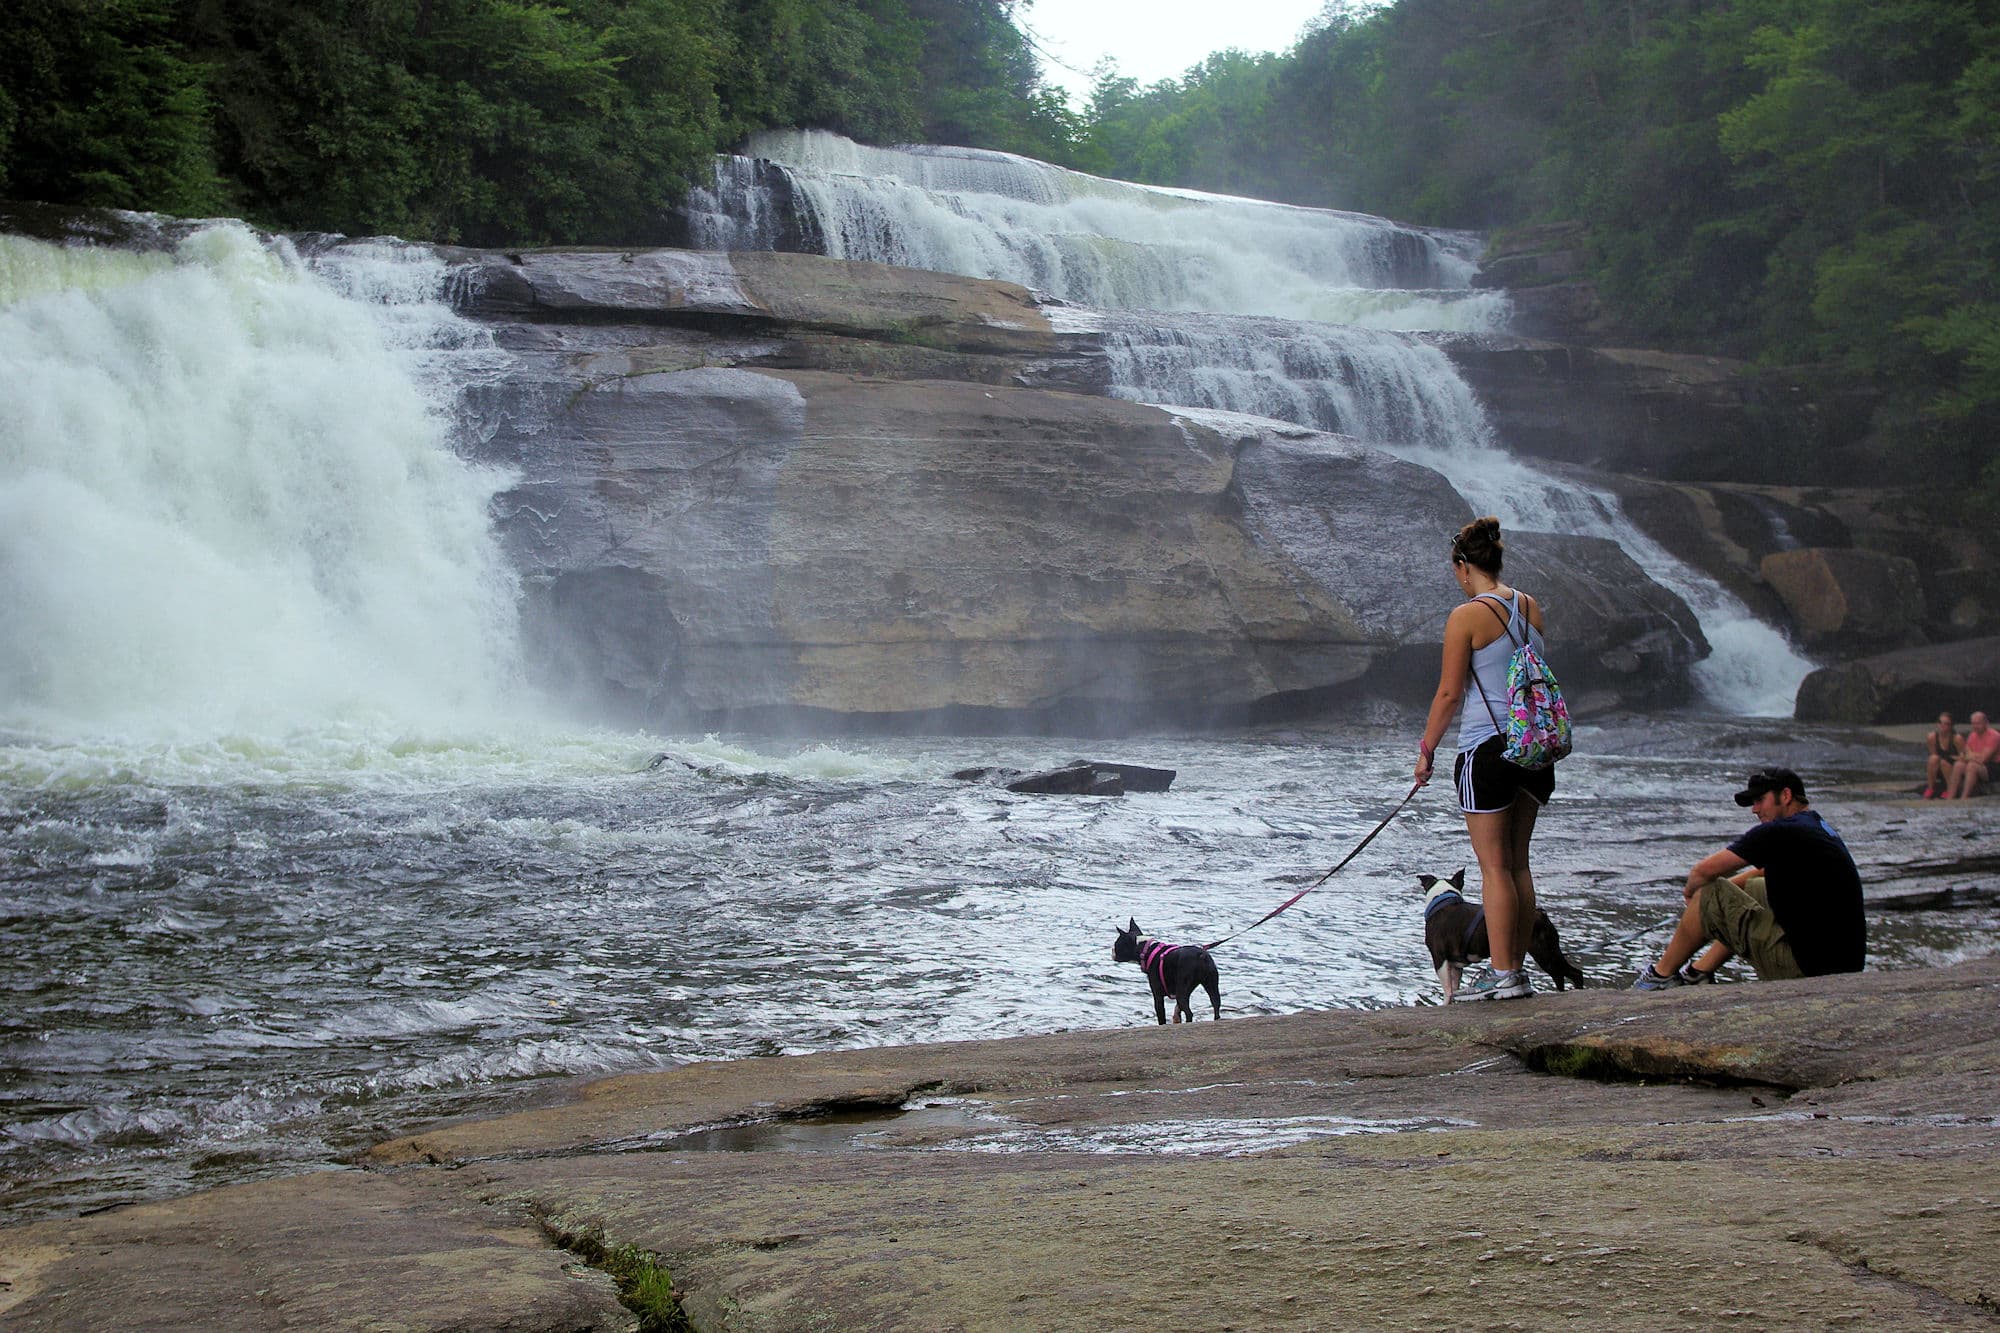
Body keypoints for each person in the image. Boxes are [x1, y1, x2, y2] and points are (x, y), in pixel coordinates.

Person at [1414, 516, 1554, 1002]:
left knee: (1492, 867)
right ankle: (1514, 970)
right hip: (1533, 750)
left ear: (1462, 566)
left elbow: (1451, 692)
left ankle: (1501, 972)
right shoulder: (1530, 608)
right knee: (1518, 865)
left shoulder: (1466, 616)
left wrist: (1427, 750)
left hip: (1487, 750)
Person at [1632, 767, 1864, 989]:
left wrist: (1694, 896)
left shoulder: (1781, 831)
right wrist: (1726, 896)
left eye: (1760, 800)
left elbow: (1702, 872)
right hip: (1841, 967)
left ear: (1785, 795)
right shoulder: (1816, 826)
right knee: (1752, 888)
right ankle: (1698, 973)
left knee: (1709, 895)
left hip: (1807, 973)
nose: (1754, 809)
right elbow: (1761, 872)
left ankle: (1660, 977)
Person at [1943, 711, 2000, 799]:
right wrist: (1971, 756)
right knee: (1958, 765)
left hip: (1993, 767)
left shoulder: (1994, 736)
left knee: (1972, 766)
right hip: (1977, 763)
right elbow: (1967, 752)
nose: (1975, 726)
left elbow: (1984, 758)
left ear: (1986, 723)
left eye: (1978, 723)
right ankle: (1950, 797)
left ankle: (1964, 797)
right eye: (1973, 723)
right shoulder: (1973, 735)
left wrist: (1970, 756)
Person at [1924, 712, 1961, 799]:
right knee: (1933, 759)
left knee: (1944, 763)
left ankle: (1949, 791)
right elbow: (1933, 754)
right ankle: (1930, 789)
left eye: (1946, 724)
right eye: (1940, 723)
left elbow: (1963, 756)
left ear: (1951, 725)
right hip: (1938, 766)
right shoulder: (1932, 737)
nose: (1942, 725)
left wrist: (1954, 758)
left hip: (1953, 767)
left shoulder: (1957, 739)